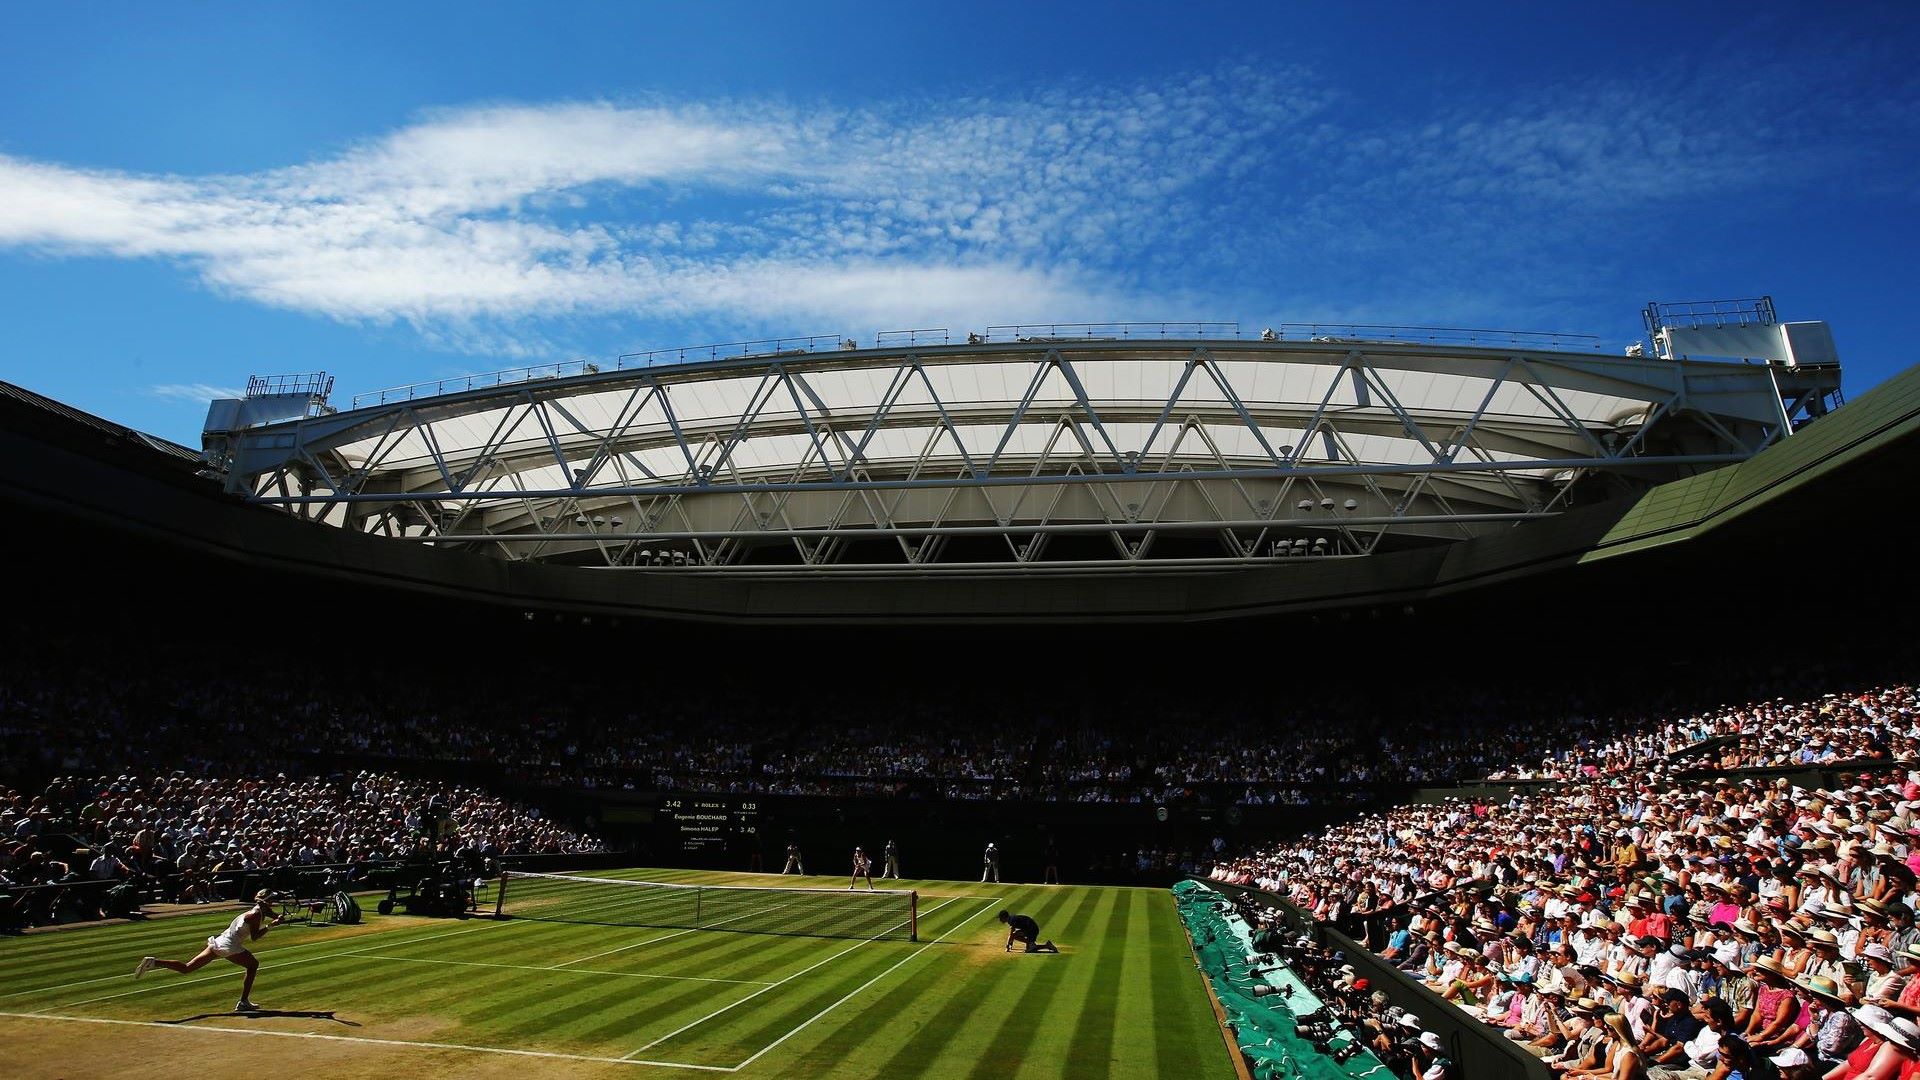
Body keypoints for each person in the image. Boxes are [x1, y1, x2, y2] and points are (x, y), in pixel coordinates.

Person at [134, 889, 283, 1012]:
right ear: (266, 901)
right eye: (272, 899)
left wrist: (278, 917)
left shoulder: (259, 911)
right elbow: (255, 937)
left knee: (187, 968)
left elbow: (269, 912)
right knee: (253, 965)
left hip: (219, 942)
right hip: (229, 946)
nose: (274, 901)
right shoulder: (255, 915)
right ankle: (243, 1002)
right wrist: (271, 925)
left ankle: (153, 962)